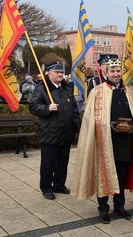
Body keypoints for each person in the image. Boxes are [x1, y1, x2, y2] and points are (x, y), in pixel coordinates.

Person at [71, 57, 133, 223]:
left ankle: (119, 206)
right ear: (106, 72)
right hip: (105, 141)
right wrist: (107, 125)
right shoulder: (98, 91)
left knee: (122, 175)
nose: (116, 74)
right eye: (113, 71)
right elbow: (91, 118)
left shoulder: (128, 91)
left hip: (125, 142)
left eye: (118, 71)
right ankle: (103, 209)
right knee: (103, 174)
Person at [29, 61, 80, 200]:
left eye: (61, 72)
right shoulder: (42, 88)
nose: (60, 74)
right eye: (57, 72)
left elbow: (74, 109)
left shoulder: (67, 88)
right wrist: (47, 108)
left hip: (66, 132)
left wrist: (77, 127)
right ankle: (46, 187)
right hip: (50, 132)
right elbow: (33, 106)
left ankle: (59, 184)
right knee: (49, 162)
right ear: (48, 73)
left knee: (63, 161)